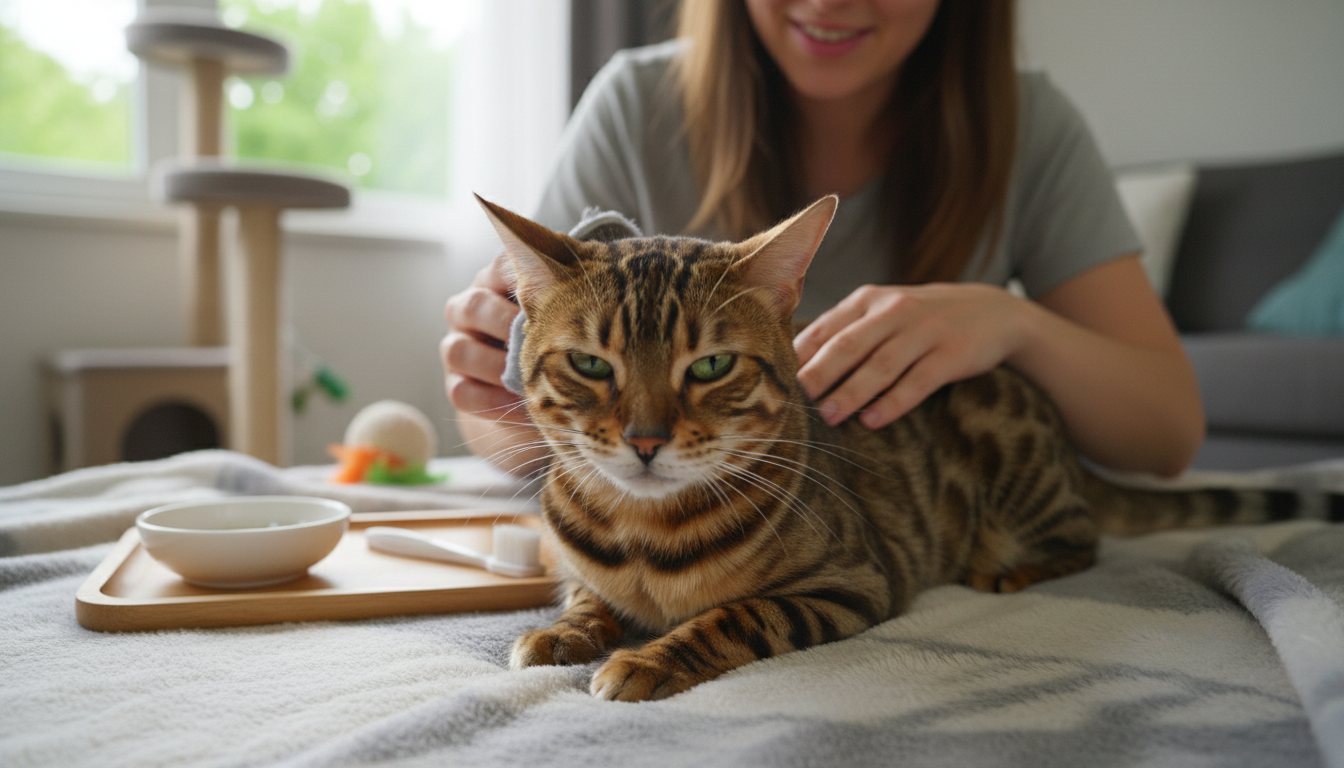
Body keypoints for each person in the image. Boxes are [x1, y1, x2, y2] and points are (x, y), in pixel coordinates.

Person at [441, 0, 1205, 480]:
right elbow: (502, 428)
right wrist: (492, 384)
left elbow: (1167, 433)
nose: (830, 2)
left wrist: (1014, 323)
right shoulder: (634, 104)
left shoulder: (1029, 125)